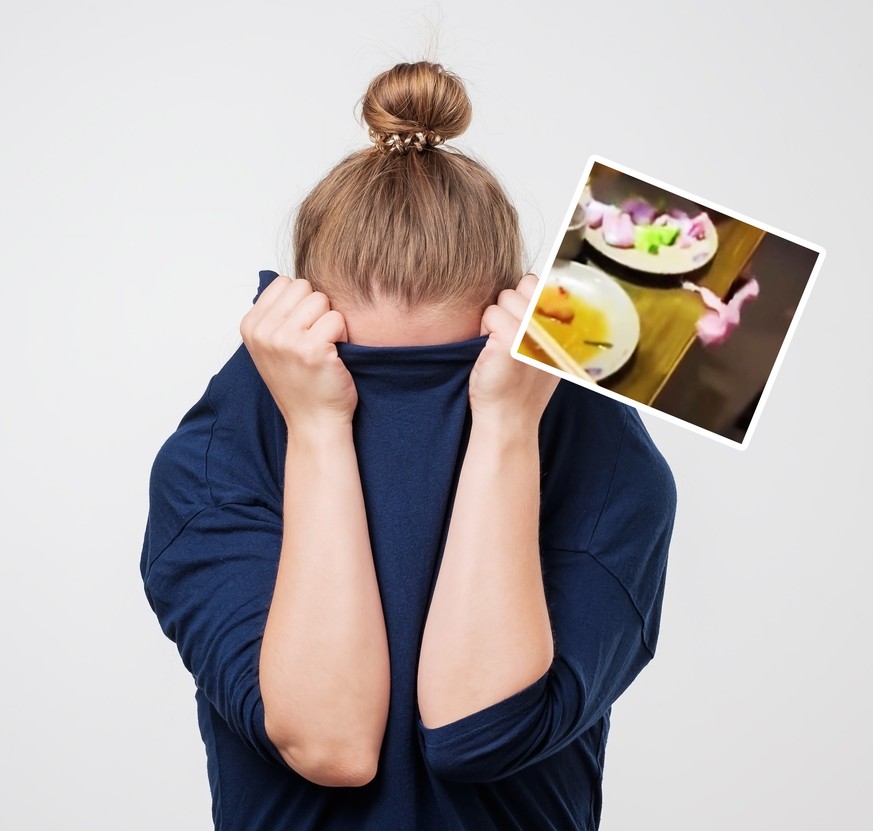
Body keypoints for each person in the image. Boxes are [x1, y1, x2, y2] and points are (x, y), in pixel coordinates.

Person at [140, 60, 678, 831]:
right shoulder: (216, 457)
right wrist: (320, 426)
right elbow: (330, 743)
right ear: (296, 339)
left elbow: (478, 732)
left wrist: (504, 424)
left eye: (447, 378)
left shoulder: (604, 459)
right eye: (365, 376)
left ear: (507, 329)